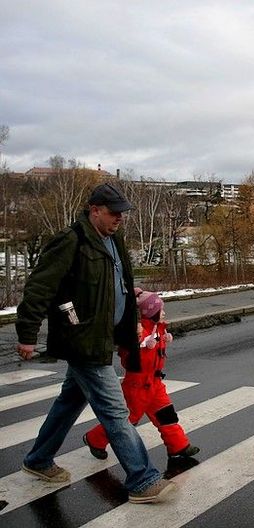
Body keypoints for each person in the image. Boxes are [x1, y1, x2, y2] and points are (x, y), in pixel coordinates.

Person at [16, 183, 176, 504]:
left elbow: (123, 289)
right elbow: (39, 288)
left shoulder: (113, 241)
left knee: (69, 402)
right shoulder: (71, 241)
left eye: (122, 213)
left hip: (103, 337)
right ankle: (142, 479)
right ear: (94, 210)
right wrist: (27, 334)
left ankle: (38, 459)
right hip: (82, 339)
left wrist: (126, 335)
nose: (120, 218)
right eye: (114, 212)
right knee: (115, 411)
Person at [84, 288, 200, 460]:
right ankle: (94, 439)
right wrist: (142, 342)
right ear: (151, 313)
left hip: (154, 382)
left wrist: (164, 338)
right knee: (127, 420)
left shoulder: (157, 328)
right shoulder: (138, 332)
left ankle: (178, 445)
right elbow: (127, 353)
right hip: (137, 385)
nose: (164, 313)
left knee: (166, 414)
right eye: (161, 310)